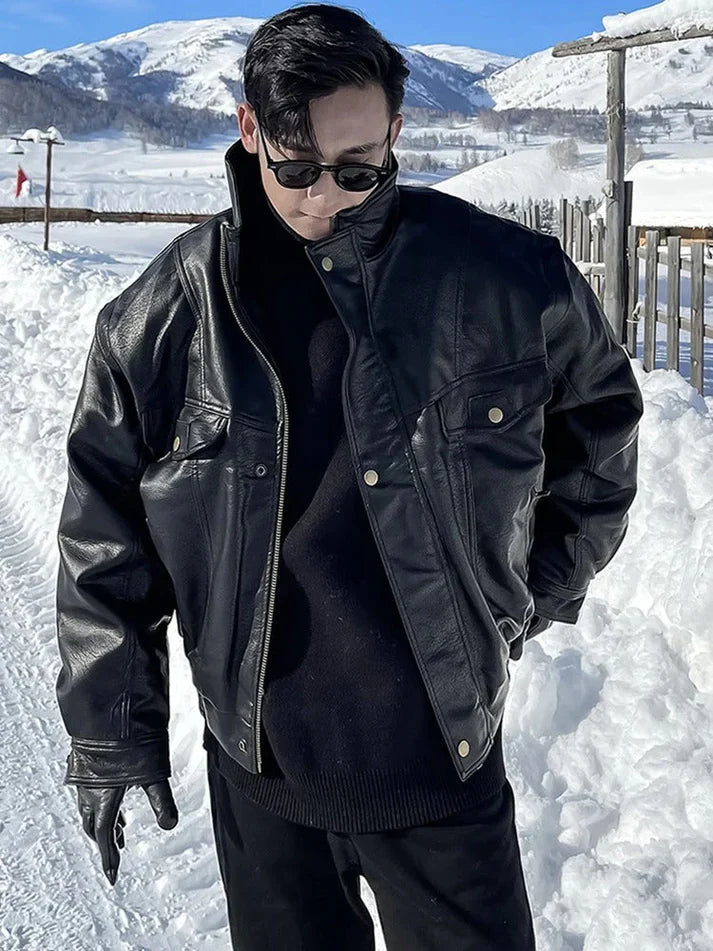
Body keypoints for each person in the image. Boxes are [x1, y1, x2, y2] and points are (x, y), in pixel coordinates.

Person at [54, 4, 644, 949]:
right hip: (263, 778)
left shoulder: (504, 278)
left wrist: (525, 594)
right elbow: (103, 527)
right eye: (296, 168)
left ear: (395, 133)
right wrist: (110, 727)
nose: (327, 196)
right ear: (249, 129)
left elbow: (602, 428)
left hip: (440, 766)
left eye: (360, 168)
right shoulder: (166, 313)